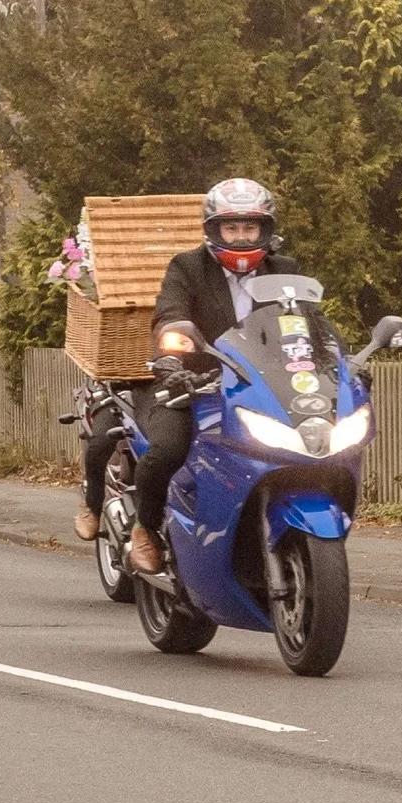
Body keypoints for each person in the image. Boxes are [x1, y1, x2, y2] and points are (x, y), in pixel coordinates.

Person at [73, 178, 299, 572]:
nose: (242, 237)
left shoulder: (284, 270)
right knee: (168, 450)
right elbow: (170, 313)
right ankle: (145, 529)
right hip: (191, 382)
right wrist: (174, 352)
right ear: (214, 229)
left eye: (251, 228)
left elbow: (305, 323)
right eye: (232, 228)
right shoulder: (187, 267)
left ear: (266, 229)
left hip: (259, 388)